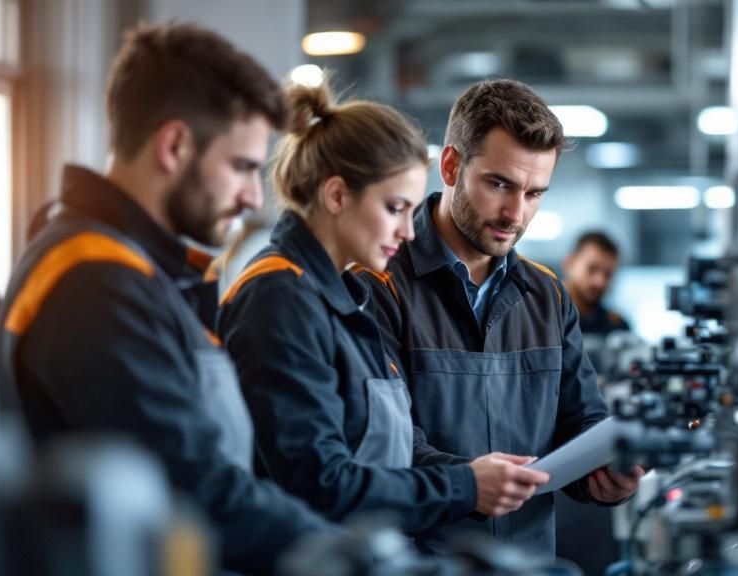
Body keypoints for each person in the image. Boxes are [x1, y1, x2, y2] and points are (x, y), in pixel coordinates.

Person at [0, 23, 336, 574]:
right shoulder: (97, 285)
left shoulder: (130, 268)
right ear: (174, 146)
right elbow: (197, 490)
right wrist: (355, 555)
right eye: (243, 167)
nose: (252, 196)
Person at [216, 79, 549, 532]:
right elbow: (321, 483)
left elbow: (388, 451)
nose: (409, 232)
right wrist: (464, 486)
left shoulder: (342, 297)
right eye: (395, 208)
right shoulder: (280, 298)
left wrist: (472, 477)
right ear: (336, 195)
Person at [357, 78, 642, 556]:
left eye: (534, 193)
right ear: (451, 166)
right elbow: (384, 445)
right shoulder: (380, 283)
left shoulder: (547, 296)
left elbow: (582, 421)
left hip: (526, 563)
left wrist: (607, 474)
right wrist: (468, 483)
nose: (516, 213)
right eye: (499, 184)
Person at [563, 231, 632, 336]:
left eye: (608, 274)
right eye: (592, 269)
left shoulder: (617, 326)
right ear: (570, 263)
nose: (600, 282)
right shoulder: (540, 318)